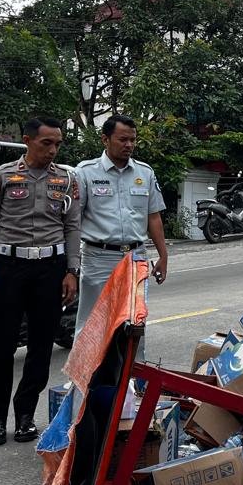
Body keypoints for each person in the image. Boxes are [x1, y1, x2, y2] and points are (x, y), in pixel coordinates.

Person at [0, 117, 81, 446]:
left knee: (41, 346)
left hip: (50, 268)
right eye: (46, 143)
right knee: (1, 345)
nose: (53, 150)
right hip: (9, 267)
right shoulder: (2, 175)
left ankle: (25, 415)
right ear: (27, 140)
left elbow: (72, 225)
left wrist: (72, 270)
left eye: (57, 144)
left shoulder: (66, 178)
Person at [73, 116, 168, 346]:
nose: (129, 145)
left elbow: (153, 217)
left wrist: (163, 256)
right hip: (98, 258)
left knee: (135, 322)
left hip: (136, 257)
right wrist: (70, 264)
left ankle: (133, 368)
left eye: (133, 140)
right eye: (123, 139)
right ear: (105, 139)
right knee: (92, 323)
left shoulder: (144, 173)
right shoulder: (85, 172)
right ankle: (85, 370)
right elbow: (73, 220)